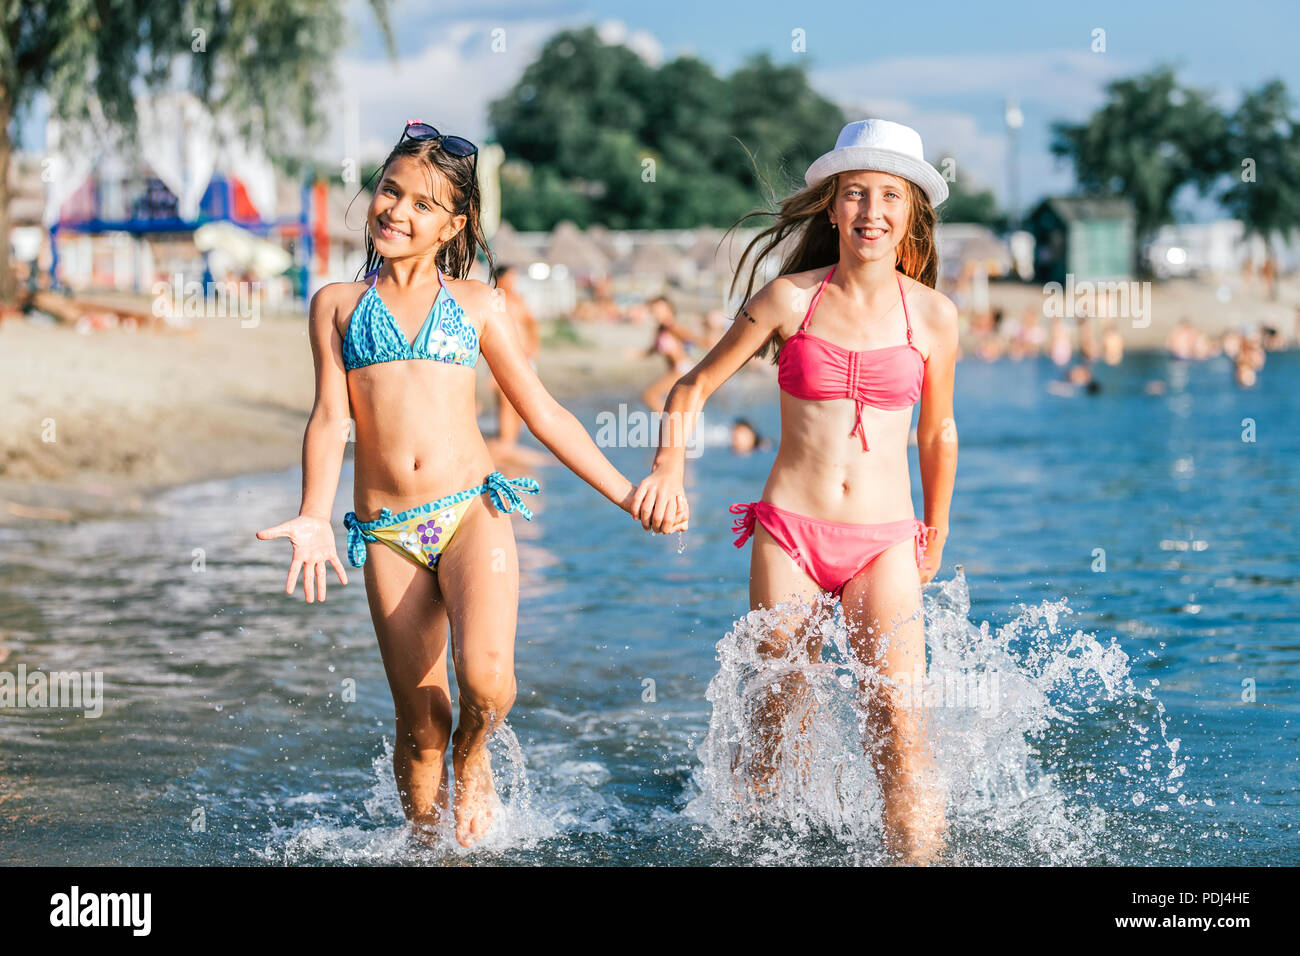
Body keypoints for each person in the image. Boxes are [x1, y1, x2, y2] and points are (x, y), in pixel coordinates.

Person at [256, 121, 683, 849]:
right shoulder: (336, 304)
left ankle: (476, 752)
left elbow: (542, 412)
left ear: (452, 225)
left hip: (470, 513)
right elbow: (330, 419)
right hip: (388, 531)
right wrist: (311, 514)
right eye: (389, 191)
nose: (396, 210)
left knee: (487, 685)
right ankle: (428, 849)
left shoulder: (479, 304)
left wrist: (627, 491)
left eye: (422, 204)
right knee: (421, 720)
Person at [633, 119, 958, 864]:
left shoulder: (934, 316)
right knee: (774, 720)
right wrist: (669, 469)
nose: (870, 212)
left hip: (886, 541)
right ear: (832, 208)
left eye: (887, 197)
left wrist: (936, 528)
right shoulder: (788, 299)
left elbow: (938, 434)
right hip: (792, 535)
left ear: (910, 215)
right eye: (854, 196)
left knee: (901, 734)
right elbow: (692, 387)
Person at [484, 263, 546, 469]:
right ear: (500, 278)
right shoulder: (495, 299)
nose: (514, 282)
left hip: (524, 358)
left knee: (522, 404)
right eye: (511, 278)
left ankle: (509, 444)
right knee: (505, 401)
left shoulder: (519, 300)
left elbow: (532, 324)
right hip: (503, 358)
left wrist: (534, 349)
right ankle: (505, 442)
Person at [641, 296, 706, 411]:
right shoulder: (660, 330)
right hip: (674, 371)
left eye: (660, 310)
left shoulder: (672, 326)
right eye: (654, 310)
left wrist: (711, 343)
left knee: (650, 395)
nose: (657, 314)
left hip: (682, 369)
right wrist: (635, 354)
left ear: (669, 310)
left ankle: (669, 425)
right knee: (673, 404)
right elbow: (652, 350)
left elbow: (690, 337)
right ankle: (674, 425)